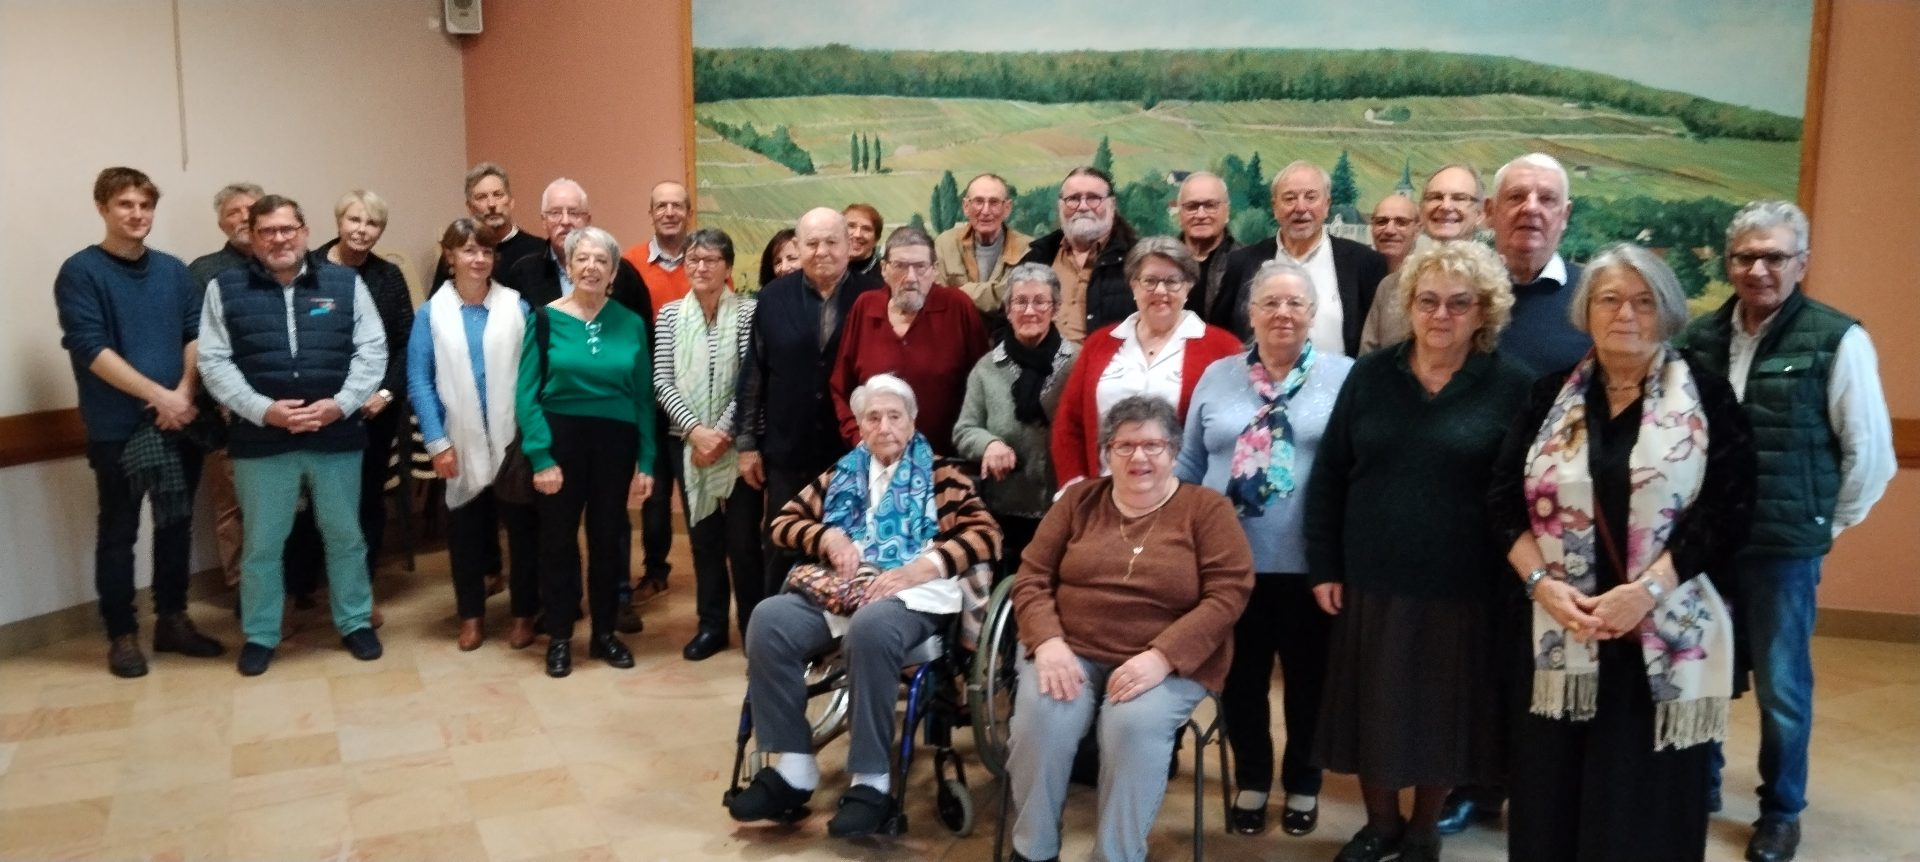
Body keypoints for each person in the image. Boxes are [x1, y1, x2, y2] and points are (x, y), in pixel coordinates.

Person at [1491, 243, 1758, 862]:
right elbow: (1502, 500)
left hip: (1658, 635)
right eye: (1610, 299)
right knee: (1551, 796)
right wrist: (1543, 586)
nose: (1626, 314)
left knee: (1640, 806)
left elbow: (1728, 510)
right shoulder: (1548, 398)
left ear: (1667, 312)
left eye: (1643, 301)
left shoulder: (1709, 398)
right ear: (1587, 311)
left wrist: (1645, 593)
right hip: (1560, 630)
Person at [1675, 201, 1896, 862]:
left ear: (1801, 262)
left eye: (1774, 256)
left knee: (1782, 688)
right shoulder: (1699, 338)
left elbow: (1871, 456)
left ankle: (1780, 810)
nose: (1758, 269)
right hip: (1708, 547)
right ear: (1728, 261)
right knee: (1701, 672)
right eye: (1745, 256)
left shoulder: (1837, 338)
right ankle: (1698, 786)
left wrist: (1816, 524)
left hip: (1782, 552)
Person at [1303, 240, 1532, 862]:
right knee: (1373, 709)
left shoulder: (1514, 388)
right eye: (1427, 301)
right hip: (1372, 577)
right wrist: (1324, 564)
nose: (1441, 315)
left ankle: (1425, 827)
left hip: (1466, 586)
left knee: (1444, 715)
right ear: (1408, 305)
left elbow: (1522, 497)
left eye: (1460, 303)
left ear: (1484, 311)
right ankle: (1380, 825)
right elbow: (1329, 475)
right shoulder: (1372, 376)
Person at [727, 374, 1000, 838]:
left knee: (871, 629)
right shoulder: (843, 472)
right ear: (860, 426)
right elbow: (783, 522)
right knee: (768, 619)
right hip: (844, 591)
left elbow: (985, 535)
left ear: (912, 422)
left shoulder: (943, 476)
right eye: (873, 417)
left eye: (895, 416)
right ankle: (794, 767)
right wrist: (828, 535)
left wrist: (922, 567)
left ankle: (871, 780)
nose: (884, 426)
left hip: (912, 596)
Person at [1005, 395, 1254, 862]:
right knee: (1042, 717)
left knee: (1133, 725)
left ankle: (1116, 855)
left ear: (1174, 450)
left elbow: (1228, 594)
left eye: (1153, 445)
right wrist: (1049, 641)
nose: (1139, 457)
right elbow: (1032, 576)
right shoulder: (1078, 501)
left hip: (1166, 661)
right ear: (1107, 452)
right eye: (1125, 446)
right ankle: (1033, 849)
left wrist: (1162, 656)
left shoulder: (1207, 510)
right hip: (1070, 648)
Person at [1176, 260, 1354, 838]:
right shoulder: (1217, 375)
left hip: (1310, 568)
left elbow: (1357, 470)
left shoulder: (1346, 377)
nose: (1281, 313)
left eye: (1294, 304)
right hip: (1228, 565)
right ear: (1250, 313)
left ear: (1311, 314)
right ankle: (1252, 777)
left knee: (1310, 685)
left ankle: (1304, 783)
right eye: (1269, 303)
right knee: (1240, 682)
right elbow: (1189, 464)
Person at [197, 194, 387, 677]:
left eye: (288, 229)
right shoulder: (225, 288)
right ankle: (261, 633)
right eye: (267, 232)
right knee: (262, 543)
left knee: (345, 536)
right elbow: (214, 362)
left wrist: (340, 405)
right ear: (253, 238)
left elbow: (372, 348)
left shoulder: (344, 284)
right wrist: (264, 412)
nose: (279, 239)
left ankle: (355, 620)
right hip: (263, 441)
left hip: (336, 434)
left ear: (304, 232)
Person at [55, 166, 226, 677]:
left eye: (145, 205)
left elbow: (195, 334)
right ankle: (122, 635)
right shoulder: (81, 272)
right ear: (103, 209)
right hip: (119, 429)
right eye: (125, 204)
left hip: (179, 422)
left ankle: (172, 620)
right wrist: (159, 396)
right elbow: (90, 348)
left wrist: (183, 394)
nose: (137, 214)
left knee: (174, 525)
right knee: (119, 532)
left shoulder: (174, 271)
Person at [505, 179, 659, 633]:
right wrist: (541, 456)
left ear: (614, 273)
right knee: (556, 542)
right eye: (583, 259)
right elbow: (526, 394)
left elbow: (642, 397)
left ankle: (606, 634)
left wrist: (646, 461)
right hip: (560, 440)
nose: (592, 267)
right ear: (569, 266)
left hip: (615, 443)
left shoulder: (630, 323)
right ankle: (558, 637)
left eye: (602, 261)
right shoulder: (546, 319)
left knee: (608, 540)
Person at [736, 207, 887, 595]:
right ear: (798, 246)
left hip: (850, 448)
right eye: (812, 242)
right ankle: (771, 639)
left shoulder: (872, 296)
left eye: (832, 242)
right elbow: (755, 371)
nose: (822, 251)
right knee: (782, 544)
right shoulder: (772, 297)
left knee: (848, 545)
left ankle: (833, 642)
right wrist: (748, 444)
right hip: (788, 447)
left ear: (848, 246)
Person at [407, 219, 539, 651]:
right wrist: (436, 442)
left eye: (485, 251)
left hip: (512, 441)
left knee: (522, 534)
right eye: (467, 250)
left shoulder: (516, 307)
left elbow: (533, 375)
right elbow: (420, 381)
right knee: (464, 534)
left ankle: (523, 614)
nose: (478, 259)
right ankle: (471, 616)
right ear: (450, 256)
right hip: (457, 439)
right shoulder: (432, 314)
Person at [1050, 236, 1242, 490]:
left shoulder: (1223, 348)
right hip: (1103, 497)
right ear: (1133, 285)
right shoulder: (1100, 343)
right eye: (1149, 281)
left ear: (1189, 286)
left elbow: (1232, 434)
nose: (1160, 291)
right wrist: (1075, 489)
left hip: (1185, 501)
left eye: (1172, 281)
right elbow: (1069, 424)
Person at [653, 228, 764, 661]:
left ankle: (755, 630)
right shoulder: (668, 316)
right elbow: (662, 380)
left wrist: (721, 432)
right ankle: (711, 626)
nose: (701, 267)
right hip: (689, 446)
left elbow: (750, 381)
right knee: (703, 542)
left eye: (711, 260)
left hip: (740, 448)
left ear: (728, 268)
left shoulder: (751, 312)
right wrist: (696, 431)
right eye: (693, 260)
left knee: (743, 543)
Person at [953, 263, 1082, 579]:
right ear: (1007, 310)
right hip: (1005, 507)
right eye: (1020, 302)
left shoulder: (1079, 362)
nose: (1030, 310)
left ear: (1055, 309)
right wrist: (989, 443)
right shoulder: (987, 367)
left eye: (1040, 301)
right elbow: (964, 429)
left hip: (1066, 508)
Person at [319, 189, 413, 619]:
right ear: (339, 222)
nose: (362, 230)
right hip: (319, 410)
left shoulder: (388, 277)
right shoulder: (310, 269)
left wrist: (386, 394)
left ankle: (361, 589)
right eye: (354, 220)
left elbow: (406, 343)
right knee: (314, 504)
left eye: (372, 223)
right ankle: (308, 589)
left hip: (372, 412)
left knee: (366, 502)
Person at [831, 225, 989, 457]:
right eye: (900, 266)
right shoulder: (865, 308)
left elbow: (982, 386)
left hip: (945, 460)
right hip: (876, 458)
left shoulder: (958, 307)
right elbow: (841, 387)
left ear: (935, 269)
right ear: (884, 269)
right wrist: (857, 438)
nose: (911, 277)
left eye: (920, 266)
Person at [1215, 161, 1390, 352]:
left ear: (1327, 205)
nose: (1300, 207)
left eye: (1311, 197)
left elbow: (1379, 341)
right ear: (1275, 207)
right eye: (1289, 198)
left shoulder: (1365, 263)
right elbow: (1221, 334)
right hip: (1257, 380)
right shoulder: (1242, 263)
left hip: (1342, 381)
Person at [621, 180, 696, 607]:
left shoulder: (704, 259)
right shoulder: (629, 263)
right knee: (652, 489)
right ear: (650, 213)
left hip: (692, 400)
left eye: (677, 206)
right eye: (661, 205)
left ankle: (708, 567)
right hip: (645, 396)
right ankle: (655, 570)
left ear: (688, 212)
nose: (669, 212)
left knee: (692, 488)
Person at [188, 182, 263, 590]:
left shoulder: (281, 264)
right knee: (233, 507)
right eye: (234, 211)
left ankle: (288, 587)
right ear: (221, 221)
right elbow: (196, 345)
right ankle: (242, 588)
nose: (243, 218)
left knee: (280, 505)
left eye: (251, 210)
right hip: (225, 414)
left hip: (280, 409)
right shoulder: (202, 273)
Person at [1359, 163, 1486, 354]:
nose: (1445, 206)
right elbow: (1367, 366)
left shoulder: (1496, 287)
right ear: (1422, 209)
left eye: (1459, 198)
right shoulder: (1390, 286)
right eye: (1435, 197)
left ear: (1480, 213)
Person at [1014, 166, 1139, 342]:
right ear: (1060, 206)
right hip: (1038, 366)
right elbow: (1005, 323)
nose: (1083, 207)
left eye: (1093, 198)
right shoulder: (1037, 257)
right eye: (1073, 199)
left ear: (1112, 204)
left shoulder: (1139, 261)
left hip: (1107, 367)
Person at [432, 162, 548, 288]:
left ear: (511, 202)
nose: (491, 204)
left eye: (498, 195)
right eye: (481, 197)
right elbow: (436, 305)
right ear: (469, 208)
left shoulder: (539, 250)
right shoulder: (458, 255)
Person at [935, 172, 1033, 318]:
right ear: (966, 206)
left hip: (1004, 337)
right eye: (978, 201)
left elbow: (1018, 298)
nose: (986, 211)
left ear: (1007, 208)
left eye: (994, 202)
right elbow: (937, 298)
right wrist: (997, 293)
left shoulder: (1028, 248)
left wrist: (957, 293)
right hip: (957, 334)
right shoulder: (945, 243)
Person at [1176, 172, 1242, 323]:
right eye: (1192, 206)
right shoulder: (1162, 263)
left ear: (1227, 212)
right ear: (1180, 214)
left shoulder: (1248, 266)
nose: (1200, 214)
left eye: (1210, 205)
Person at [1369, 194, 1418, 273]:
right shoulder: (1354, 275)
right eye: (1381, 222)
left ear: (1417, 230)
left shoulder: (1428, 278)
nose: (1389, 230)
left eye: (1401, 222)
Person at [843, 202, 884, 277]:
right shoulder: (823, 271)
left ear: (876, 239)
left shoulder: (884, 278)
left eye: (866, 229)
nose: (857, 234)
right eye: (851, 226)